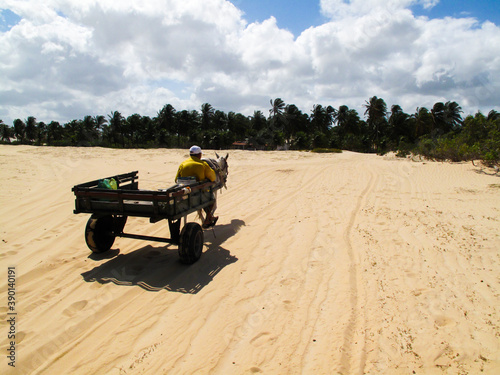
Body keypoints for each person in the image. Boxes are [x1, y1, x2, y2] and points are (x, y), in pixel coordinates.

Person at [175, 145, 218, 228]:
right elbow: (213, 177)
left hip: (184, 193)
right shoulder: (203, 164)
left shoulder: (183, 164)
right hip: (198, 194)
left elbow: (176, 179)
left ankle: (209, 218)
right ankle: (208, 218)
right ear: (199, 155)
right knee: (212, 200)